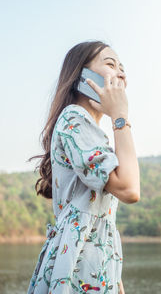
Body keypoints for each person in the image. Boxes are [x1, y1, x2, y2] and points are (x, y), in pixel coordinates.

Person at [27, 40, 140, 294]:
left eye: (123, 67)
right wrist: (121, 118)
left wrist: (116, 282)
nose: (121, 73)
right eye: (110, 64)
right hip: (77, 271)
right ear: (82, 77)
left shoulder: (89, 131)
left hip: (95, 267)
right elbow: (130, 188)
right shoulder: (73, 119)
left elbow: (101, 224)